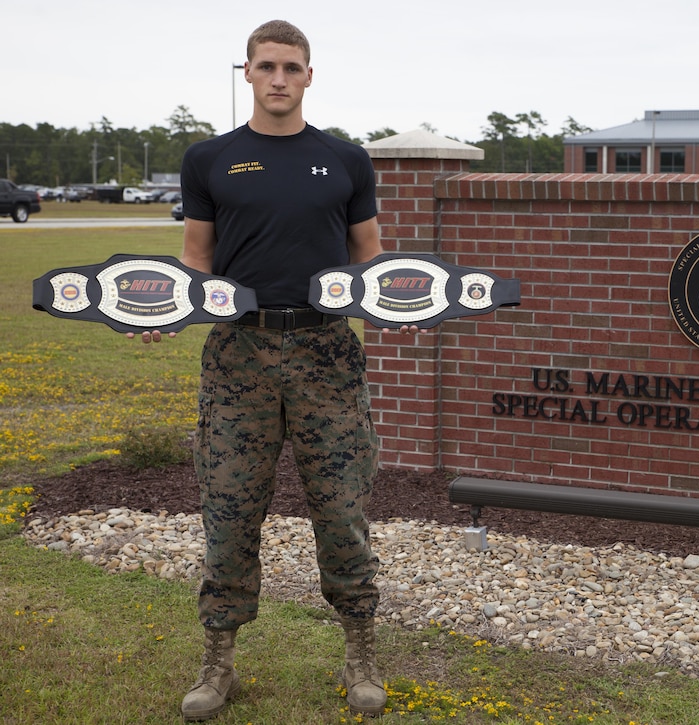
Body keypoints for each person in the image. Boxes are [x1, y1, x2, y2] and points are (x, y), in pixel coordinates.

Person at [137, 19, 413, 721]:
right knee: (228, 513)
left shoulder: (346, 159)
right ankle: (217, 664)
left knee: (343, 511)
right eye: (267, 66)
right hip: (240, 352)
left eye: (292, 66)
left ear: (309, 76)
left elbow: (368, 259)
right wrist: (165, 308)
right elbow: (197, 260)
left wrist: (398, 298)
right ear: (249, 74)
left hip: (326, 352)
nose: (280, 78)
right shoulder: (211, 159)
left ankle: (361, 657)